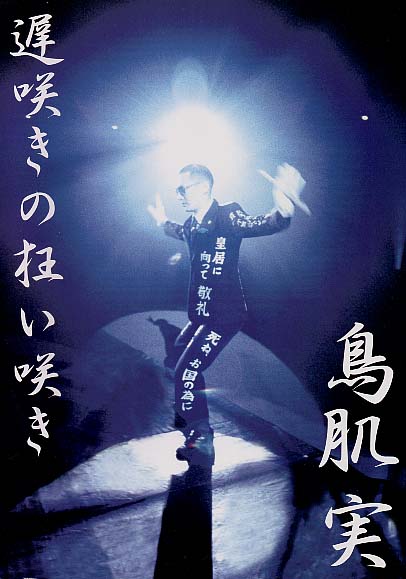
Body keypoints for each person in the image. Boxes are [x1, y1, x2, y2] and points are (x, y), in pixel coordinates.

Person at [148, 163, 307, 466]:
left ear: (203, 187)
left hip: (225, 316)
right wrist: (161, 221)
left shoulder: (228, 216)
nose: (179, 195)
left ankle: (201, 441)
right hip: (202, 315)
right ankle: (187, 407)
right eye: (177, 189)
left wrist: (283, 207)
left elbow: (263, 223)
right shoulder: (192, 225)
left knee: (186, 371)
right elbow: (178, 231)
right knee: (178, 352)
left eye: (183, 188)